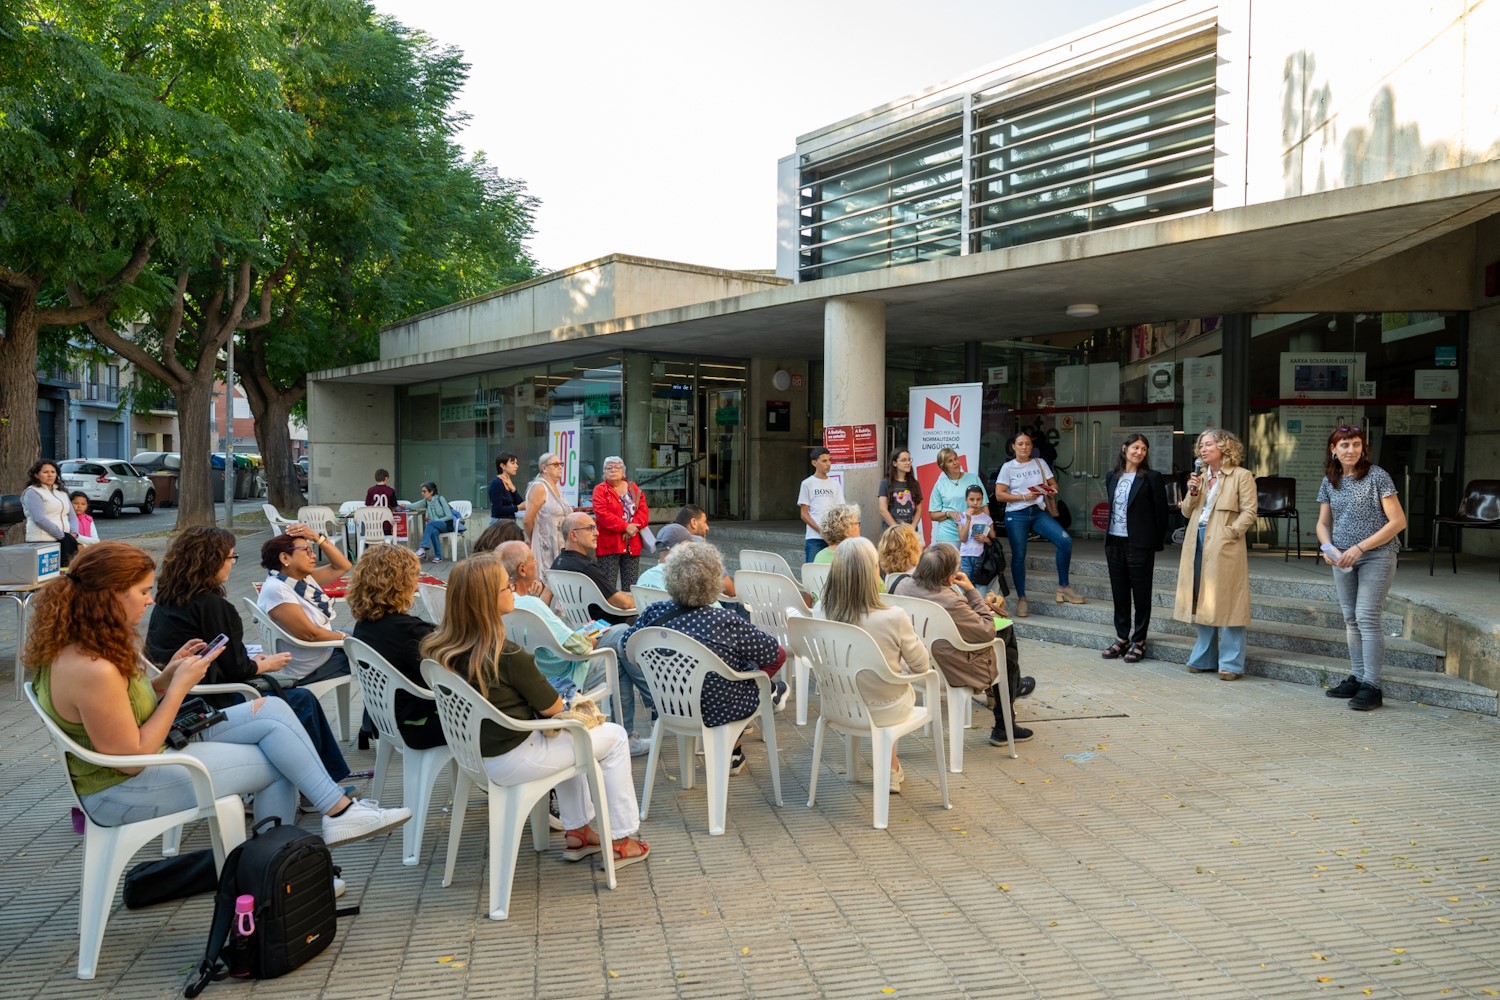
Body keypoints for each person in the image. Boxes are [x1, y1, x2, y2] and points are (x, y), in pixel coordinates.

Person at [23, 542, 409, 845]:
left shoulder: (77, 646)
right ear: (107, 597)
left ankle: (326, 823)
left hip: (142, 765)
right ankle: (279, 866)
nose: (150, 599)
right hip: (122, 791)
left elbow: (123, 706)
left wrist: (166, 675)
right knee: (279, 763)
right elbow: (131, 759)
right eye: (141, 591)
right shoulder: (93, 667)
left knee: (272, 709)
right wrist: (178, 687)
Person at [420, 554, 648, 869]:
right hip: (515, 756)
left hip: (475, 754)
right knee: (613, 737)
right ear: (486, 600)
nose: (513, 589)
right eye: (505, 587)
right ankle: (622, 839)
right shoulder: (508, 654)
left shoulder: (441, 650)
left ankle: (579, 833)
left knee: (571, 739)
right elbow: (554, 708)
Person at [146, 525, 351, 782]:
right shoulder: (212, 605)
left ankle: (325, 781)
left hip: (182, 697)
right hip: (207, 701)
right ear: (211, 561)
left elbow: (224, 657)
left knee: (298, 697)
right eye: (230, 557)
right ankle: (325, 783)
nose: (233, 564)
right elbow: (237, 670)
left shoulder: (168, 598)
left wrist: (253, 662)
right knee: (301, 700)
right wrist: (266, 664)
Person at [623, 542, 788, 777]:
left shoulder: (653, 612)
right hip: (719, 708)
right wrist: (752, 678)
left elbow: (626, 648)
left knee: (739, 672)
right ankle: (769, 693)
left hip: (669, 705)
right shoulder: (725, 620)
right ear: (715, 581)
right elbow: (776, 655)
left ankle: (763, 695)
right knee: (751, 674)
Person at [499, 540, 652, 756]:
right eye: (533, 560)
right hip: (562, 675)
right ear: (522, 569)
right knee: (618, 650)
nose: (537, 563)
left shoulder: (504, 603)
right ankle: (633, 727)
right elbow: (577, 647)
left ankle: (639, 718)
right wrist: (586, 639)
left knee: (618, 633)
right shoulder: (532, 605)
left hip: (537, 669)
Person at [889, 543, 1035, 745]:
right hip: (952, 670)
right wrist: (971, 591)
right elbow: (987, 630)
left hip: (915, 664)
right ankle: (1005, 719)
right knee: (1005, 636)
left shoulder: (901, 584)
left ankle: (1012, 688)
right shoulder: (950, 600)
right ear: (950, 576)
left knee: (1005, 648)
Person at [814, 537, 930, 791]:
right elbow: (922, 667)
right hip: (885, 708)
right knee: (895, 684)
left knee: (881, 681)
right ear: (873, 572)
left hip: (838, 705)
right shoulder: (894, 616)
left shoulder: (819, 612)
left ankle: (890, 767)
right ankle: (889, 768)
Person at [1315, 425, 1407, 711]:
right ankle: (1357, 677)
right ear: (1334, 450)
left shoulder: (1377, 476)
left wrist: (1359, 548)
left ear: (1363, 448)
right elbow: (1322, 523)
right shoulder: (1330, 480)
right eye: (1344, 445)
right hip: (1342, 558)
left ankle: (1373, 686)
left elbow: (1397, 522)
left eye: (1356, 444)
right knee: (1350, 618)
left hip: (1376, 555)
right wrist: (1327, 548)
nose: (1351, 450)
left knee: (1367, 616)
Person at [1173, 428, 1257, 680]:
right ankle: (1204, 658)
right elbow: (1187, 512)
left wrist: (1230, 533)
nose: (1203, 449)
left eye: (1208, 444)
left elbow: (1250, 511)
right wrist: (1193, 490)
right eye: (1201, 445)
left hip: (1224, 541)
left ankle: (1230, 663)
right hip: (1195, 539)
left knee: (1230, 600)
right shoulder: (1199, 476)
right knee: (1202, 597)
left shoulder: (1241, 476)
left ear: (1224, 447)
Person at [348, 544, 445, 747]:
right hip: (417, 723)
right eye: (414, 578)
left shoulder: (364, 626)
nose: (417, 586)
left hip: (385, 718)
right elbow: (448, 673)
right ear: (399, 584)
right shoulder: (410, 632)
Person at [994, 430, 1082, 617]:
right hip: (1016, 514)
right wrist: (1023, 496)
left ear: (1031, 446)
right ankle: (1022, 599)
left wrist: (1049, 489)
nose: (1024, 447)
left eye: (1027, 444)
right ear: (1013, 447)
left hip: (1037, 511)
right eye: (1020, 444)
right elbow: (999, 495)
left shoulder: (1039, 463)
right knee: (1019, 555)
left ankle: (1063, 587)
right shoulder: (1008, 467)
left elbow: (1054, 485)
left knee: (1065, 540)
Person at [257, 525, 355, 685]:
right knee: (378, 654)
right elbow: (311, 635)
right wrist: (347, 639)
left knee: (375, 637)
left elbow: (343, 566)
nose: (313, 555)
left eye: (313, 549)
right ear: (285, 558)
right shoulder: (278, 589)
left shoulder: (298, 579)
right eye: (307, 551)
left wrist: (318, 538)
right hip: (311, 667)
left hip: (319, 651)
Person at [1101, 434, 1169, 663]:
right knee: (1119, 593)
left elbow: (1161, 513)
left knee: (1141, 595)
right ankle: (1122, 637)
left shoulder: (1152, 477)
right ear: (1124, 448)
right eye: (1135, 447)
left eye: (1143, 449)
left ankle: (1139, 641)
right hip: (1114, 541)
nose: (1139, 452)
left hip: (1140, 544)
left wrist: (1155, 542)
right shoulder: (1112, 476)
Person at [552, 512, 637, 622]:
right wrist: (645, 600)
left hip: (581, 625)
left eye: (595, 528)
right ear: (573, 535)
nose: (597, 533)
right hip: (608, 626)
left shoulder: (557, 563)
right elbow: (624, 603)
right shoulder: (586, 569)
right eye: (590, 528)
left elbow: (609, 593)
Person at [591, 456, 651, 593]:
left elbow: (643, 512)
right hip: (609, 543)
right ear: (603, 472)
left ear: (623, 471)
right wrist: (625, 527)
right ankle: (608, 613)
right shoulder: (599, 490)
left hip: (632, 543)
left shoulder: (633, 488)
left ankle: (629, 613)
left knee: (631, 585)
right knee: (607, 584)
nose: (613, 470)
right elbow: (602, 514)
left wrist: (633, 527)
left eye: (617, 467)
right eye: (609, 467)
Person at [525, 452, 572, 586]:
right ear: (544, 468)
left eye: (561, 464)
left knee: (557, 582)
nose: (560, 467)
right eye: (555, 464)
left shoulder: (556, 488)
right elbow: (528, 520)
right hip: (545, 542)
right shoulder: (539, 487)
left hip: (559, 542)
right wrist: (533, 538)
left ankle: (558, 607)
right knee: (545, 582)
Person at [22, 459, 80, 567]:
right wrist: (60, 535)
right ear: (36, 475)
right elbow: (39, 518)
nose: (50, 475)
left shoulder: (61, 492)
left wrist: (74, 533)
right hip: (43, 541)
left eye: (53, 472)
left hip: (66, 540)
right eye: (45, 472)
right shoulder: (32, 492)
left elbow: (72, 516)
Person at [927, 447, 984, 550]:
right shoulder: (940, 484)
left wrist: (984, 532)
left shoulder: (973, 478)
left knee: (969, 566)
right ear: (944, 466)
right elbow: (933, 515)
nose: (955, 463)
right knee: (949, 566)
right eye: (950, 461)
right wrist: (948, 513)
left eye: (955, 459)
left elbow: (984, 507)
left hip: (972, 533)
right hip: (947, 535)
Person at [674, 505, 735, 597]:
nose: (707, 527)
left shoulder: (668, 550)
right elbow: (730, 591)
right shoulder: (703, 553)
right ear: (694, 522)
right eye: (705, 522)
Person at [797, 446, 844, 563]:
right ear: (814, 463)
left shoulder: (835, 484)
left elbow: (840, 509)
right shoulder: (807, 484)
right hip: (814, 537)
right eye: (824, 461)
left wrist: (835, 533)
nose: (828, 464)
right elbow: (804, 514)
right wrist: (821, 531)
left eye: (830, 460)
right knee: (812, 571)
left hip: (833, 538)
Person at [409, 481, 455, 564]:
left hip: (446, 525)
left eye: (424, 491)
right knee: (433, 531)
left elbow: (449, 516)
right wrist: (402, 506)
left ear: (431, 492)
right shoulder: (426, 501)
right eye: (422, 491)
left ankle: (422, 548)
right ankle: (438, 557)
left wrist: (434, 521)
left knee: (430, 523)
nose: (422, 493)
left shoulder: (440, 499)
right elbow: (413, 505)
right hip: (435, 526)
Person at [878, 449, 923, 532]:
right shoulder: (885, 483)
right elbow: (883, 510)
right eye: (903, 460)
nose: (908, 463)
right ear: (894, 463)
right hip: (891, 532)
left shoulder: (915, 483)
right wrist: (896, 528)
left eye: (909, 459)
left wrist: (912, 527)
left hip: (910, 532)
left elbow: (919, 510)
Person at [956, 485, 995, 580]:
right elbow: (962, 539)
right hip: (965, 556)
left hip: (981, 556)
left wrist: (986, 539)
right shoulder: (962, 517)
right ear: (966, 500)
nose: (975, 503)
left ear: (982, 500)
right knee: (965, 584)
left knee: (979, 584)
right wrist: (968, 520)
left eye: (978, 499)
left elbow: (993, 541)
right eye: (971, 499)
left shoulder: (986, 519)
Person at [488, 451, 525, 523]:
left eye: (516, 463)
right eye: (512, 463)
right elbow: (497, 510)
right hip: (499, 524)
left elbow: (519, 502)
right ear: (502, 465)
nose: (516, 466)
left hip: (509, 523)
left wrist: (513, 489)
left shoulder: (508, 482)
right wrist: (518, 508)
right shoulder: (497, 483)